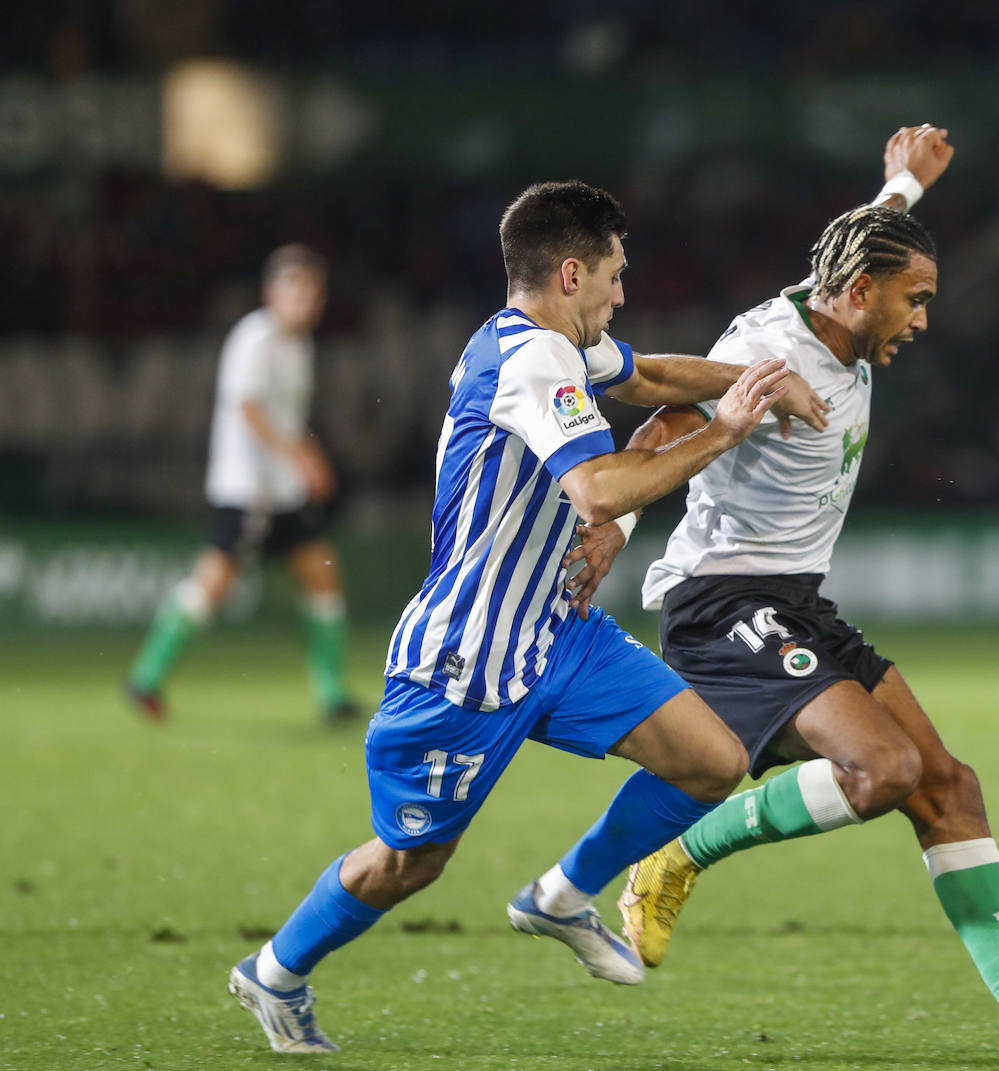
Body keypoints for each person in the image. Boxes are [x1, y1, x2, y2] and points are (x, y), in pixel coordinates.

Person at [226, 179, 831, 1054]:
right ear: (573, 273)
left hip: (557, 634)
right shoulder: (531, 361)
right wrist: (728, 428)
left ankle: (559, 895)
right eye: (617, 276)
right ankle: (275, 971)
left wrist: (770, 381)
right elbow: (598, 487)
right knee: (409, 863)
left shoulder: (557, 347)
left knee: (713, 761)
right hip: (466, 663)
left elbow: (657, 374)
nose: (623, 295)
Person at [612, 127, 999, 1061]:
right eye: (916, 301)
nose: (920, 321)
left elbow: (872, 239)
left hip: (794, 600)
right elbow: (664, 416)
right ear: (863, 293)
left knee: (950, 786)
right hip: (721, 604)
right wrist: (608, 533)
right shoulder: (768, 348)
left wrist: (902, 182)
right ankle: (675, 851)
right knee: (886, 771)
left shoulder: (845, 299)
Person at [126, 244, 356, 725]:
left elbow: (283, 417)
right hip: (248, 489)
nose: (304, 301)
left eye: (312, 293)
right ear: (271, 292)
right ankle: (145, 677)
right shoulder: (254, 339)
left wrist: (300, 461)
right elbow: (247, 409)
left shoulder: (298, 345)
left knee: (321, 575)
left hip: (282, 490)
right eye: (294, 289)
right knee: (213, 584)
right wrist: (304, 455)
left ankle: (332, 694)